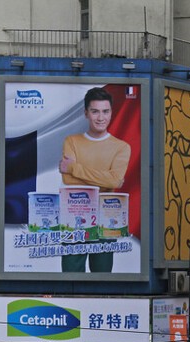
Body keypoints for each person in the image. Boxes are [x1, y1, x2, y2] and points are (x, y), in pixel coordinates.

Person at [60, 87, 132, 273]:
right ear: (86, 113)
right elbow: (68, 180)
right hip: (74, 215)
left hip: (106, 218)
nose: (101, 117)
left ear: (111, 113)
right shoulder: (72, 141)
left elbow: (114, 181)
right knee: (70, 277)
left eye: (105, 111)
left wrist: (75, 168)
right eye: (95, 111)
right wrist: (105, 180)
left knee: (102, 278)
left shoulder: (121, 147)